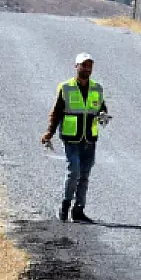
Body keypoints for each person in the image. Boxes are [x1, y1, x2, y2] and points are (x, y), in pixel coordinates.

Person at [40, 53, 108, 223]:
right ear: (76, 66)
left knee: (85, 174)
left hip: (89, 139)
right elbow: (56, 112)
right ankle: (65, 206)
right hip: (71, 138)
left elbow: (102, 108)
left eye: (89, 66)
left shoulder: (97, 88)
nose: (87, 69)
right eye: (83, 65)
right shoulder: (66, 88)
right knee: (74, 171)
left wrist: (102, 115)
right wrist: (49, 132)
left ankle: (79, 210)